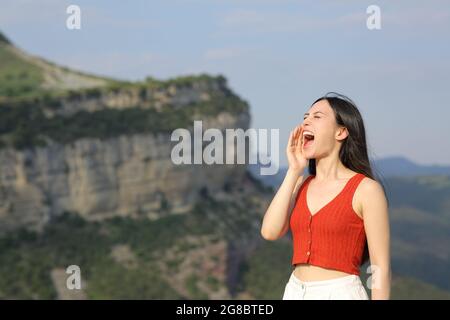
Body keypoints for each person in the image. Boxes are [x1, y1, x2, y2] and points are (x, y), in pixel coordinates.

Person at [261, 92, 391, 300]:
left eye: (317, 117)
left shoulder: (366, 190)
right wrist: (294, 170)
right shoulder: (301, 183)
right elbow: (270, 231)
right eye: (305, 117)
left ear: (341, 132)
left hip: (340, 293)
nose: (306, 123)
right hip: (294, 291)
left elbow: (380, 267)